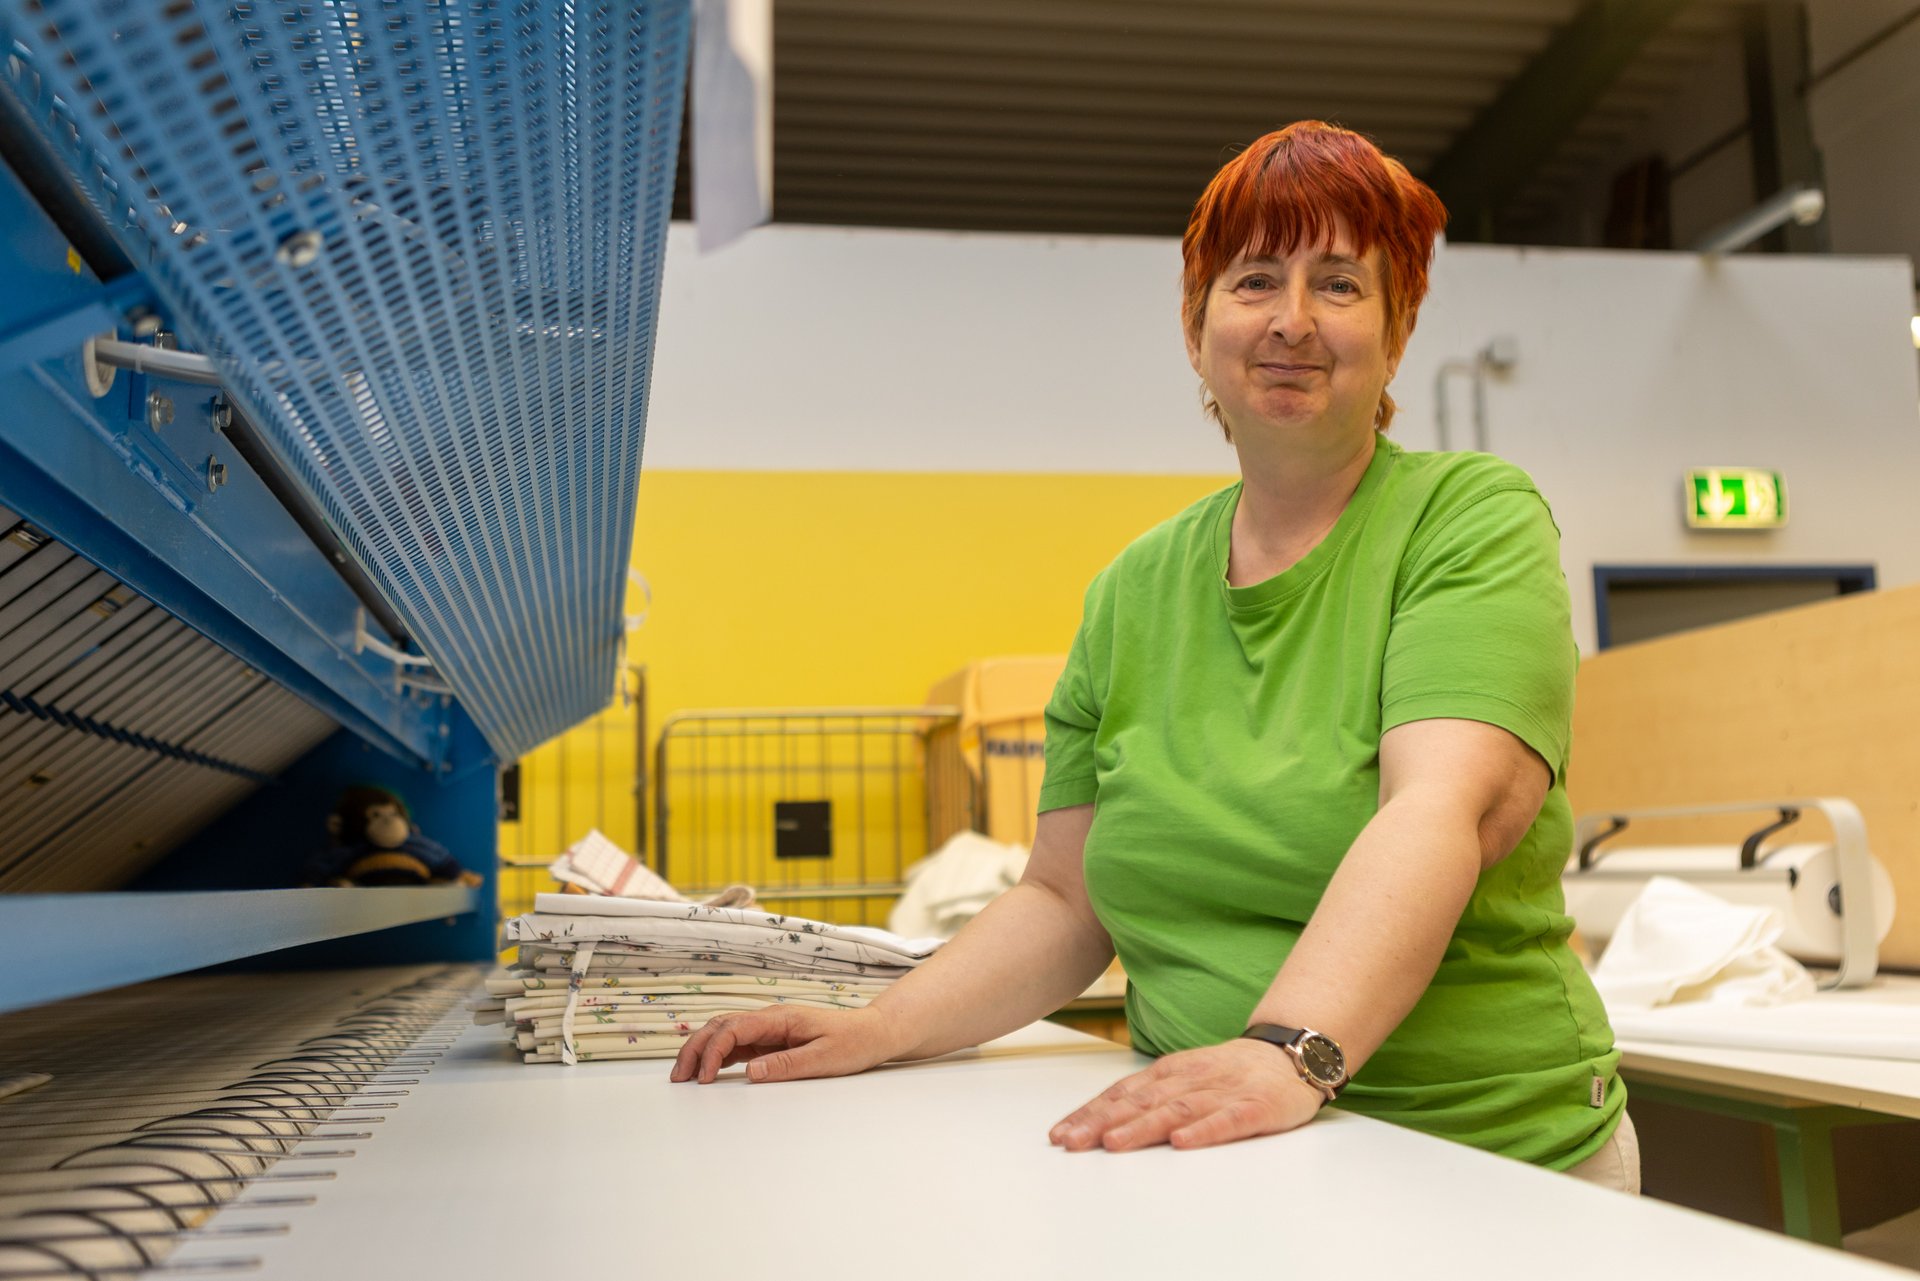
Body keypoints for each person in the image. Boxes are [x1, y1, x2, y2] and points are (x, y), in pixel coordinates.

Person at [671, 120, 1635, 1190]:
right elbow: (1063, 901)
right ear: (1196, 327)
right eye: (1255, 280)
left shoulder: (1469, 519)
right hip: (1214, 1148)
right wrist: (879, 1025)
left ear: (1397, 332)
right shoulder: (1133, 591)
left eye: (1341, 285)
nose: (1293, 319)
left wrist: (1288, 1053)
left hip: (1481, 1156)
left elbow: (1442, 811)